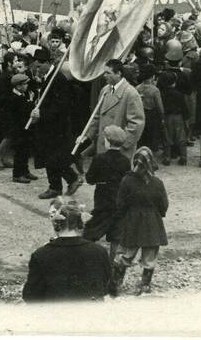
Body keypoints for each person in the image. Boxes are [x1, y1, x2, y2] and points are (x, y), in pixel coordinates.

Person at [22, 198, 112, 302]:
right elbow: (105, 286)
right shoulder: (100, 251)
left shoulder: (40, 254)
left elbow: (30, 296)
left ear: (56, 225)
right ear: (81, 225)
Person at [112, 147, 168, 295]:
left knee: (125, 254)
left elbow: (120, 204)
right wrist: (158, 215)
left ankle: (116, 284)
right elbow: (164, 205)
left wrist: (124, 217)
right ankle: (145, 285)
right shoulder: (157, 182)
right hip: (152, 223)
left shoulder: (127, 180)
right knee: (150, 256)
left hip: (132, 222)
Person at [29, 65, 81, 199]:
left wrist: (42, 114)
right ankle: (59, 184)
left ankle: (62, 183)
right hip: (49, 126)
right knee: (52, 157)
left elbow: (61, 106)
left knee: (54, 157)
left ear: (48, 64)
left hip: (56, 127)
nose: (37, 67)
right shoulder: (50, 77)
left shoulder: (57, 80)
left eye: (40, 64)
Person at [82, 125, 132, 259]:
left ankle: (87, 258)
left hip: (103, 201)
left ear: (108, 141)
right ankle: (112, 264)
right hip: (119, 201)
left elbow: (90, 179)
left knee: (90, 232)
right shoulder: (126, 161)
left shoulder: (99, 158)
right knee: (116, 236)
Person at [81, 59, 145, 159]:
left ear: (118, 73)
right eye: (104, 72)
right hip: (103, 146)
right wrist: (87, 135)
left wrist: (122, 144)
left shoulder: (131, 93)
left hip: (120, 151)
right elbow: (97, 116)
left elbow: (136, 124)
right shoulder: (105, 90)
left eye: (108, 73)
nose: (104, 76)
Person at [1, 73, 35, 184]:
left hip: (23, 128)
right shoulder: (14, 98)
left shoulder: (21, 96)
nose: (26, 86)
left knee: (25, 150)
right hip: (18, 129)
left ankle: (25, 171)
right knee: (20, 152)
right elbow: (24, 111)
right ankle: (17, 174)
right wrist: (30, 101)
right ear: (18, 86)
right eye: (25, 84)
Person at [157, 71, 188, 166]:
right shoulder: (179, 94)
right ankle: (183, 157)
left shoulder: (161, 94)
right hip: (178, 117)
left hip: (167, 117)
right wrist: (186, 119)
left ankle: (167, 157)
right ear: (174, 83)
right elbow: (184, 107)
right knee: (181, 137)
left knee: (167, 137)